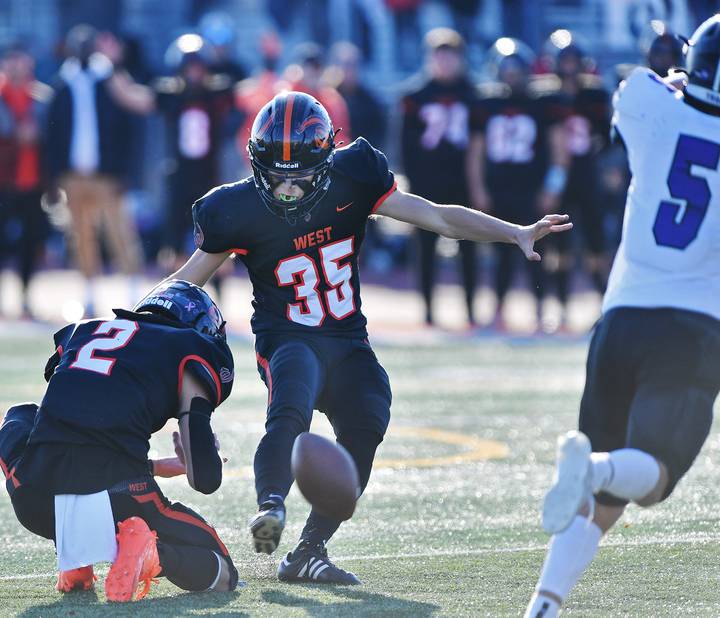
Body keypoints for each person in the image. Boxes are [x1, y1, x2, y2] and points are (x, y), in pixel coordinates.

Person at [168, 91, 571, 584]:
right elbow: (187, 281)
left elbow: (439, 217)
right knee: (291, 402)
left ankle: (308, 553)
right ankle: (270, 507)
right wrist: (135, 320)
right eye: (277, 174)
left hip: (345, 336)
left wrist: (514, 232)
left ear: (325, 159)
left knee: (370, 412)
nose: (289, 189)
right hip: (287, 335)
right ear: (255, 163)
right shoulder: (235, 208)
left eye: (301, 176)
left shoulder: (354, 174)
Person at [524, 15, 720, 617]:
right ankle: (595, 466)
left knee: (604, 500)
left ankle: (543, 607)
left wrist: (667, 68)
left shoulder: (643, 99)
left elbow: (650, 93)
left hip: (620, 320)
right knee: (651, 478)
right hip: (692, 328)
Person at [0, 280, 238, 601]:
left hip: (34, 497)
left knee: (21, 415)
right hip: (118, 497)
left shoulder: (84, 331)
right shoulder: (187, 348)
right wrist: (196, 458)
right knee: (223, 572)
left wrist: (157, 466)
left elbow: (77, 427)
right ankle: (153, 555)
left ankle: (75, 559)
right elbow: (206, 480)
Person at [107, 33, 233, 292]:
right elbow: (132, 97)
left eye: (198, 67)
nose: (194, 74)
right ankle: (173, 294)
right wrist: (114, 66)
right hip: (180, 176)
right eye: (190, 68)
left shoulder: (218, 93)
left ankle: (222, 299)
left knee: (220, 240)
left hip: (211, 177)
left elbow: (251, 95)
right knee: (173, 241)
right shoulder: (170, 95)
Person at [46, 24, 142, 317]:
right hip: (73, 176)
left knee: (120, 235)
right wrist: (54, 176)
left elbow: (129, 132)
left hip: (107, 174)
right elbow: (52, 134)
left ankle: (133, 293)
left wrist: (126, 172)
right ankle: (88, 296)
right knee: (81, 237)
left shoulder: (110, 81)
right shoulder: (64, 83)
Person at [467, 38, 562, 331]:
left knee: (536, 253)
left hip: (531, 189)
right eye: (506, 70)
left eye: (515, 70)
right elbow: (476, 151)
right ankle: (498, 309)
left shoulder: (543, 103)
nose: (511, 76)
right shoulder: (486, 104)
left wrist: (552, 186)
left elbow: (559, 149)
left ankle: (541, 310)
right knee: (500, 253)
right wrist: (478, 188)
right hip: (499, 189)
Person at [401, 28, 478, 327]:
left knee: (470, 244)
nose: (445, 62)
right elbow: (405, 145)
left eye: (450, 56)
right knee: (426, 248)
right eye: (439, 56)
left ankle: (471, 309)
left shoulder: (473, 95)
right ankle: (428, 310)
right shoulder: (415, 97)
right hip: (427, 185)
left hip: (462, 183)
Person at [537, 33, 611, 320]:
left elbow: (606, 138)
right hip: (559, 180)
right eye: (564, 60)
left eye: (573, 60)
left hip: (587, 176)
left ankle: (603, 305)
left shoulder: (595, 95)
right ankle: (562, 306)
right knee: (559, 246)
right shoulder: (544, 97)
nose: (568, 67)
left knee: (596, 245)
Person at [0, 43, 52, 318]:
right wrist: (15, 141)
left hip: (33, 183)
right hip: (3, 182)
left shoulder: (41, 99)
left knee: (31, 240)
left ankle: (25, 293)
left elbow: (51, 140)